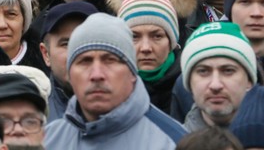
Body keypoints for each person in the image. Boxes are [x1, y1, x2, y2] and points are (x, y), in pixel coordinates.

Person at [45, 12, 187, 148]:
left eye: (110, 60)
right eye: (85, 61)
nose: (97, 74)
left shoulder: (174, 141)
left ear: (132, 73)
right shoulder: (47, 140)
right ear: (70, 74)